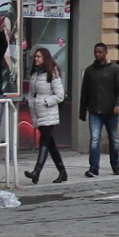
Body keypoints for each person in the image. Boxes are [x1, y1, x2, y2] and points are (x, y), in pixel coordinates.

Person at [79, 43, 119, 177]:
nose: (97, 54)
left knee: (114, 139)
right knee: (94, 139)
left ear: (106, 53)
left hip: (111, 111)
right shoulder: (90, 71)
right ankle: (94, 167)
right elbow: (85, 92)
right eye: (95, 52)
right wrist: (82, 112)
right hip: (95, 111)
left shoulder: (114, 69)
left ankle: (115, 164)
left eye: (100, 52)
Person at [24, 48, 68, 184]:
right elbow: (31, 92)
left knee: (44, 141)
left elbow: (60, 95)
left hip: (48, 112)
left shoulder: (52, 72)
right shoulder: (34, 73)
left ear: (45, 58)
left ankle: (37, 171)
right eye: (35, 57)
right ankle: (62, 172)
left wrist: (45, 102)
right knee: (50, 144)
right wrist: (29, 100)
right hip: (38, 112)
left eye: (39, 57)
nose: (36, 59)